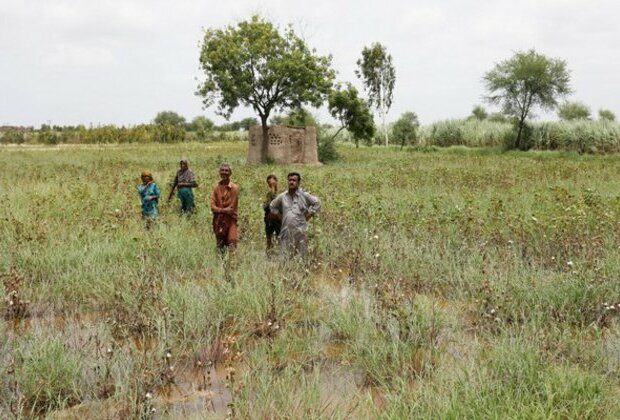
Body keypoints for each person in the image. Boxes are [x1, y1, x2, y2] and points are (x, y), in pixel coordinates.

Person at [270, 172, 320, 260]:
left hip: (300, 231)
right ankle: (285, 273)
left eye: (294, 180)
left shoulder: (304, 195)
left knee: (301, 258)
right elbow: (272, 206)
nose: (291, 182)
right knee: (284, 258)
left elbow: (317, 203)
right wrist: (280, 217)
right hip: (286, 231)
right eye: (290, 180)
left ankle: (300, 273)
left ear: (298, 182)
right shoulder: (283, 196)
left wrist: (309, 215)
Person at [210, 163, 239, 252]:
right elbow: (212, 207)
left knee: (232, 244)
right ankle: (220, 265)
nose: (224, 172)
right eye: (222, 170)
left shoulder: (234, 188)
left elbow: (231, 209)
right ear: (219, 172)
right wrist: (223, 210)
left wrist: (219, 210)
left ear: (230, 173)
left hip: (230, 220)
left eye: (226, 170)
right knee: (220, 246)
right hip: (218, 220)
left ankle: (232, 265)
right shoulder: (216, 187)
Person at [264, 174, 281, 252]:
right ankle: (269, 256)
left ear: (276, 182)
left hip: (279, 220)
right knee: (269, 239)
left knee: (280, 238)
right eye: (269, 183)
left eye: (272, 183)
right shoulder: (268, 194)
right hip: (269, 219)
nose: (271, 185)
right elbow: (266, 207)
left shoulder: (281, 194)